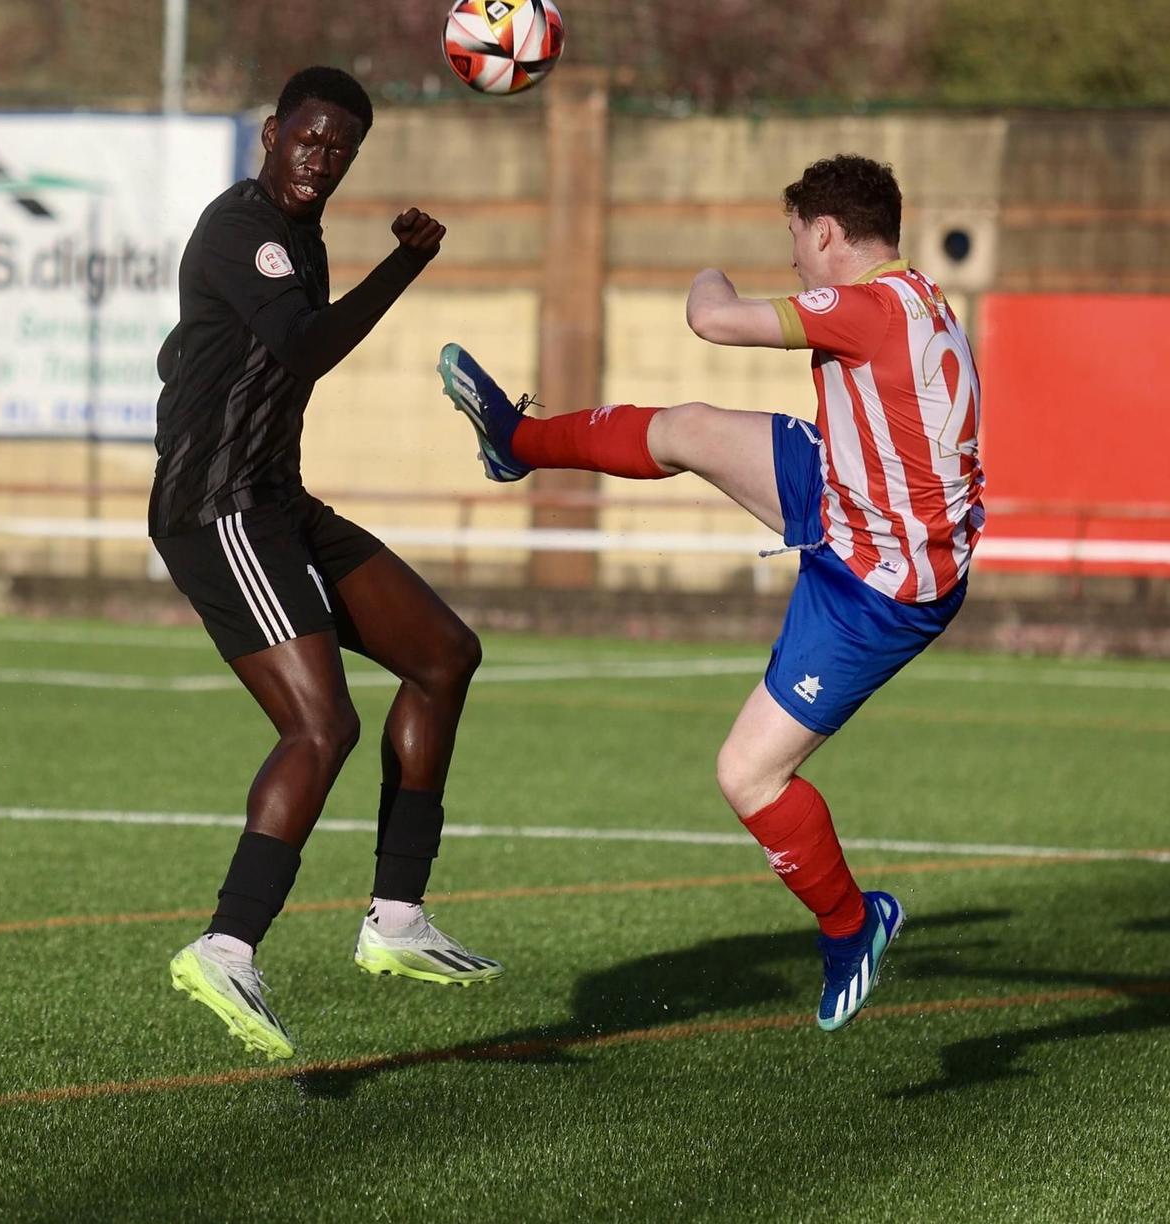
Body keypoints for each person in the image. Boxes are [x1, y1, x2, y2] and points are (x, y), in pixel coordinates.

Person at [438, 153, 983, 1032]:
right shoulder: (918, 296)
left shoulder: (866, 307)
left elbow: (712, 318)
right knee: (689, 427)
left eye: (798, 243)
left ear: (827, 233)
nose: (796, 263)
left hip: (881, 582)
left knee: (748, 775)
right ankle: (516, 441)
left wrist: (706, 270)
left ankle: (852, 926)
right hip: (853, 493)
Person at [153, 66, 500, 1063]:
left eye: (340, 147)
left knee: (443, 652)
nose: (322, 157)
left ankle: (396, 918)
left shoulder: (294, 232)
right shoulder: (245, 225)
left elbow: (238, 357)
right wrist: (404, 266)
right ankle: (224, 945)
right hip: (218, 505)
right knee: (322, 722)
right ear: (269, 134)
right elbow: (301, 347)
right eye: (308, 137)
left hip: (274, 496)